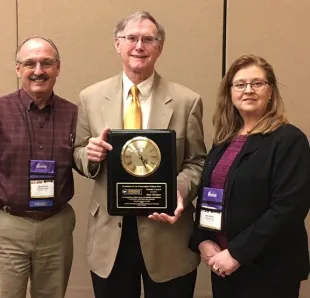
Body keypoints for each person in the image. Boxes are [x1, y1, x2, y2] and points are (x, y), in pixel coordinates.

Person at [73, 11, 206, 298]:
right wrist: (90, 156)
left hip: (167, 232)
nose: (139, 46)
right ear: (117, 44)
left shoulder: (187, 101)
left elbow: (196, 161)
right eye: (131, 38)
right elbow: (79, 152)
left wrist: (179, 191)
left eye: (148, 39)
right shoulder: (90, 97)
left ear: (160, 47)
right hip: (111, 235)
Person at [0, 36, 78, 298]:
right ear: (18, 69)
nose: (38, 71)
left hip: (56, 229)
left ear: (58, 68)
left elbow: (86, 162)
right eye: (30, 63)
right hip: (6, 229)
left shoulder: (74, 115)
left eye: (46, 63)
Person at [189, 54, 310, 298]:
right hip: (223, 267)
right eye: (240, 84)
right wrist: (202, 239)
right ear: (230, 93)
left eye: (257, 83)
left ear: (271, 92)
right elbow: (210, 195)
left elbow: (288, 209)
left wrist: (236, 253)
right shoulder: (223, 142)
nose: (249, 90)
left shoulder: (289, 140)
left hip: (268, 270)